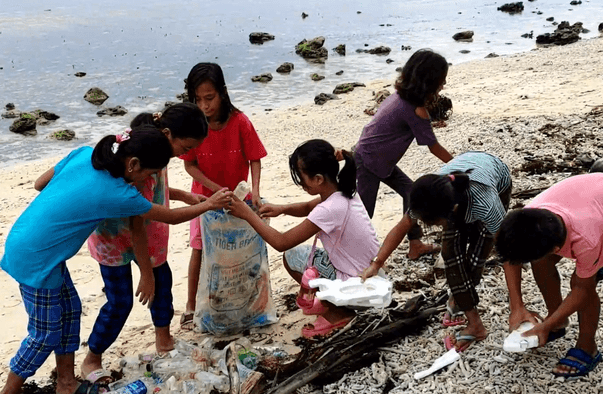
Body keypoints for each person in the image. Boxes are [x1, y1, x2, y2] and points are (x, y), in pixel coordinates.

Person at [0, 125, 232, 394]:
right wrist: (209, 204)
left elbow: (40, 184)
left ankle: (66, 383)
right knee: (45, 334)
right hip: (36, 259)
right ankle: (9, 391)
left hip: (28, 240)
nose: (149, 180)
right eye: (149, 173)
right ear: (133, 164)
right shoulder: (118, 193)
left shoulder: (84, 154)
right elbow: (168, 216)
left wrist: (71, 198)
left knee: (71, 311)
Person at [81, 103, 208, 385]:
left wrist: (183, 195)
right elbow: (136, 223)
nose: (184, 154)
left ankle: (164, 340)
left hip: (149, 233)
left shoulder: (157, 156)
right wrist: (146, 273)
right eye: (184, 147)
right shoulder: (141, 161)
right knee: (121, 301)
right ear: (167, 134)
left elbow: (155, 193)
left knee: (163, 284)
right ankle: (92, 357)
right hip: (115, 238)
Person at [229, 139, 381, 338]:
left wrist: (247, 215)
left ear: (318, 179)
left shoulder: (329, 209)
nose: (301, 183)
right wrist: (281, 209)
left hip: (357, 286)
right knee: (299, 255)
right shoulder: (344, 192)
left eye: (302, 178)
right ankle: (334, 304)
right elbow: (310, 207)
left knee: (292, 256)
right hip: (371, 275)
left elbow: (281, 242)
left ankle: (339, 312)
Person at [361, 151, 512, 352]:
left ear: (450, 211)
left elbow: (508, 252)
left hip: (495, 179)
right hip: (458, 188)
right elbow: (401, 227)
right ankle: (469, 312)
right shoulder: (427, 196)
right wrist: (376, 263)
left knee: (478, 254)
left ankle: (471, 318)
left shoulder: (486, 203)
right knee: (451, 255)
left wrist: (517, 308)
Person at [496, 173, 603, 379]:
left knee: (583, 282)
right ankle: (558, 321)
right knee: (540, 260)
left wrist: (545, 326)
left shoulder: (587, 239)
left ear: (556, 249)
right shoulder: (529, 218)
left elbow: (583, 290)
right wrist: (517, 307)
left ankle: (588, 348)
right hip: (592, 193)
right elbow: (510, 257)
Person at [180, 62, 267, 329]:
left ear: (223, 93)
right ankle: (191, 305)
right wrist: (214, 189)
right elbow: (189, 164)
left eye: (210, 98)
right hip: (204, 200)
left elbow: (254, 159)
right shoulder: (195, 127)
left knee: (241, 250)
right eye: (199, 100)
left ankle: (248, 301)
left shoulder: (240, 122)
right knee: (199, 248)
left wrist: (257, 191)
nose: (205, 106)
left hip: (238, 198)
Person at [353, 48, 453, 260]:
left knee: (410, 193)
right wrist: (459, 164)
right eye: (442, 80)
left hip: (377, 158)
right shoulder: (417, 111)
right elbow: (433, 147)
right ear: (429, 81)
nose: (443, 85)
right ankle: (351, 253)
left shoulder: (399, 96)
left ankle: (415, 244)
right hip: (369, 160)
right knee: (363, 213)